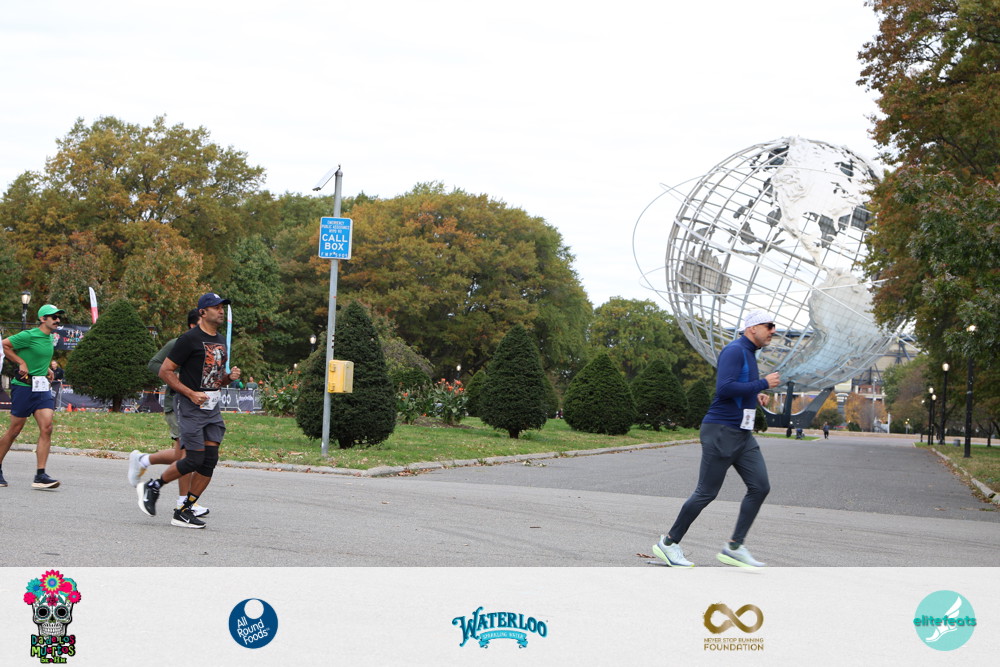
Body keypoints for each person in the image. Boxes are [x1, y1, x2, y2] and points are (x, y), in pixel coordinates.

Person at [652, 310, 781, 568]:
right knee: (706, 492)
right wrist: (762, 384)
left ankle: (734, 547)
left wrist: (754, 395)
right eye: (769, 325)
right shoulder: (735, 350)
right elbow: (724, 388)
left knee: (760, 486)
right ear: (752, 328)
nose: (773, 331)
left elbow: (738, 387)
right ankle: (668, 543)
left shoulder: (750, 353)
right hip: (721, 430)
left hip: (742, 434)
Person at [137, 293, 241, 528]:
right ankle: (153, 487)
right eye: (216, 307)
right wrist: (190, 393)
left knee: (210, 460)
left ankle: (183, 511)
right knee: (194, 458)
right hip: (190, 406)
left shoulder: (221, 340)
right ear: (202, 312)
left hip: (212, 408)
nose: (221, 311)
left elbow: (215, 379)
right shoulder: (188, 339)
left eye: (222, 307)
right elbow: (165, 371)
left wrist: (229, 377)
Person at [127, 309, 208, 517]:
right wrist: (177, 377)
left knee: (182, 455)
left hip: (196, 406)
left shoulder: (206, 346)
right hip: (177, 404)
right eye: (203, 321)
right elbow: (154, 363)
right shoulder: (178, 343)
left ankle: (143, 460)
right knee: (188, 454)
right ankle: (184, 503)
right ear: (193, 325)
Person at [0, 305, 66, 489]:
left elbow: (38, 356)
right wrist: (21, 362)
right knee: (14, 430)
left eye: (59, 317)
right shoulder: (29, 335)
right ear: (43, 319)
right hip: (23, 387)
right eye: (54, 317)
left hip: (41, 387)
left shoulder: (50, 337)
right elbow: (4, 345)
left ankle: (40, 475)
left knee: (47, 427)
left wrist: (46, 369)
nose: (57, 320)